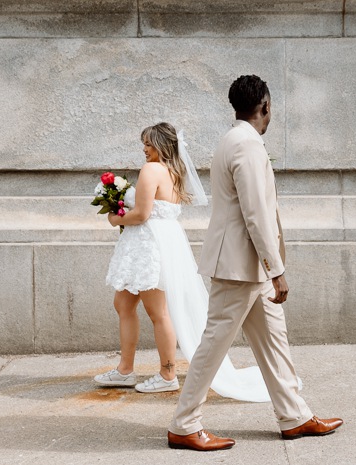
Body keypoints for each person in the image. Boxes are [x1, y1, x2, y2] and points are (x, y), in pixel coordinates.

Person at [167, 75, 343, 451]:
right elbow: (256, 212)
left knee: (274, 340)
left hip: (248, 267)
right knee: (214, 345)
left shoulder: (234, 140)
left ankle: (294, 416)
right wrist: (276, 268)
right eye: (270, 106)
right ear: (265, 106)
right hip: (240, 266)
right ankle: (184, 424)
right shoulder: (247, 144)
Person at [96, 122, 272, 400]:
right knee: (124, 304)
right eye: (144, 143)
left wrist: (114, 218)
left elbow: (142, 214)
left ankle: (167, 374)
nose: (144, 149)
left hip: (148, 245)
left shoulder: (151, 170)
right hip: (155, 241)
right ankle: (125, 369)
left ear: (162, 145)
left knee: (158, 312)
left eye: (149, 144)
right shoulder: (172, 172)